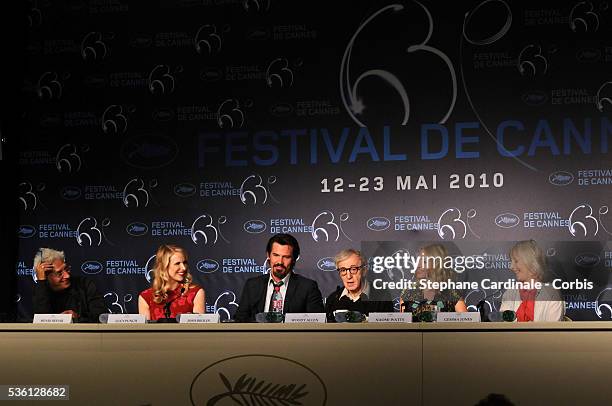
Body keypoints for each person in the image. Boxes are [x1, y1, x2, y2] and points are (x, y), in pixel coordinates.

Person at [234, 234, 324, 322]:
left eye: (286, 257)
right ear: (268, 256)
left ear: (294, 259)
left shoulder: (307, 287)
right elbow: (239, 320)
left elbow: (318, 324)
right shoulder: (252, 285)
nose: (280, 262)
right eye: (276, 255)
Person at [32, 247, 106, 323]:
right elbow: (41, 323)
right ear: (46, 277)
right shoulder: (40, 291)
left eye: (66, 269)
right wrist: (58, 319)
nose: (67, 275)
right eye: (59, 273)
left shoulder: (85, 284)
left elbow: (101, 317)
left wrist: (77, 318)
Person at [499, 240, 564, 322]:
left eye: (516, 261)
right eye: (511, 262)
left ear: (531, 263)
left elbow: (552, 331)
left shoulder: (551, 294)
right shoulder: (510, 294)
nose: (511, 267)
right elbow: (504, 328)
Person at [138, 244, 205, 321]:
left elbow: (199, 330)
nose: (183, 268)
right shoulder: (146, 297)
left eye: (185, 263)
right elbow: (144, 332)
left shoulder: (196, 292)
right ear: (164, 266)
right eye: (177, 263)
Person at [400, 244, 468, 318]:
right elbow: (402, 325)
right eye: (418, 261)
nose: (418, 265)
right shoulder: (408, 292)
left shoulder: (451, 293)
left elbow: (467, 323)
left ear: (437, 264)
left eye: (424, 262)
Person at [325, 248, 394, 322]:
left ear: (364, 270)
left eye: (353, 269)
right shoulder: (333, 300)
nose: (348, 276)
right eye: (343, 270)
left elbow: (387, 331)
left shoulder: (382, 296)